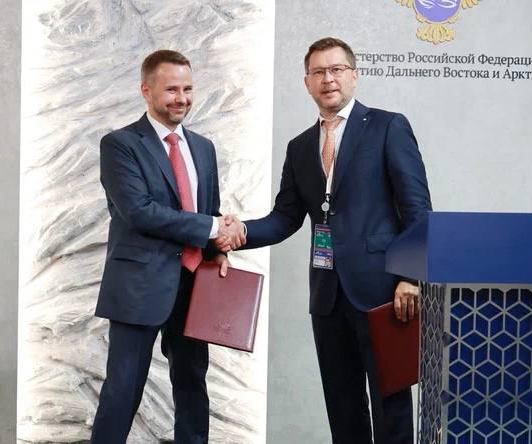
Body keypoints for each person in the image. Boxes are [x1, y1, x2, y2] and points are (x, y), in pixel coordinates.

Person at [218, 37, 432, 443]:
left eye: (336, 70)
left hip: (384, 291)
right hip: (327, 295)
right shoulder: (299, 147)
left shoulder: (388, 126)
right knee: (342, 405)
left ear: (354, 75)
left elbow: (418, 208)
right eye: (318, 72)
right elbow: (285, 218)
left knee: (391, 404)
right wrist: (240, 231)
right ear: (307, 82)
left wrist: (412, 276)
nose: (328, 79)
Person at [91, 49, 245, 444]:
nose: (182, 98)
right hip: (139, 286)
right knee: (123, 389)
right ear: (146, 90)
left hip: (195, 285)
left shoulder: (204, 147)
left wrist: (219, 249)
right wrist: (214, 226)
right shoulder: (120, 144)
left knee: (193, 385)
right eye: (172, 89)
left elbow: (207, 211)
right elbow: (139, 212)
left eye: (188, 89)